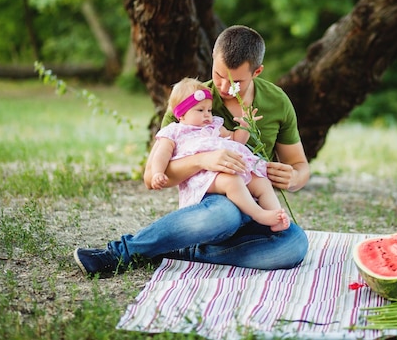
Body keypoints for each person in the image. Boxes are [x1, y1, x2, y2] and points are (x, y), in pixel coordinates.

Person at [74, 25, 310, 277]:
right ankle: (121, 253)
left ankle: (182, 250)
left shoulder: (277, 101)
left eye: (235, 81)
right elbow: (151, 175)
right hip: (214, 203)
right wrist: (203, 160)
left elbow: (300, 165)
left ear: (257, 71)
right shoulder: (190, 101)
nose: (222, 85)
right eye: (218, 74)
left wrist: (293, 178)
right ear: (212, 58)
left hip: (258, 203)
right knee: (224, 215)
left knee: (294, 245)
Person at [149, 77, 289, 232]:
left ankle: (276, 217)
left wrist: (245, 126)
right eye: (200, 110)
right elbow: (161, 154)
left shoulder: (214, 125)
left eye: (209, 110)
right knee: (232, 182)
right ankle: (259, 215)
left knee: (262, 182)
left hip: (232, 167)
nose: (207, 115)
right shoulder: (174, 132)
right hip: (203, 176)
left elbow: (236, 140)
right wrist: (157, 173)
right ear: (181, 114)